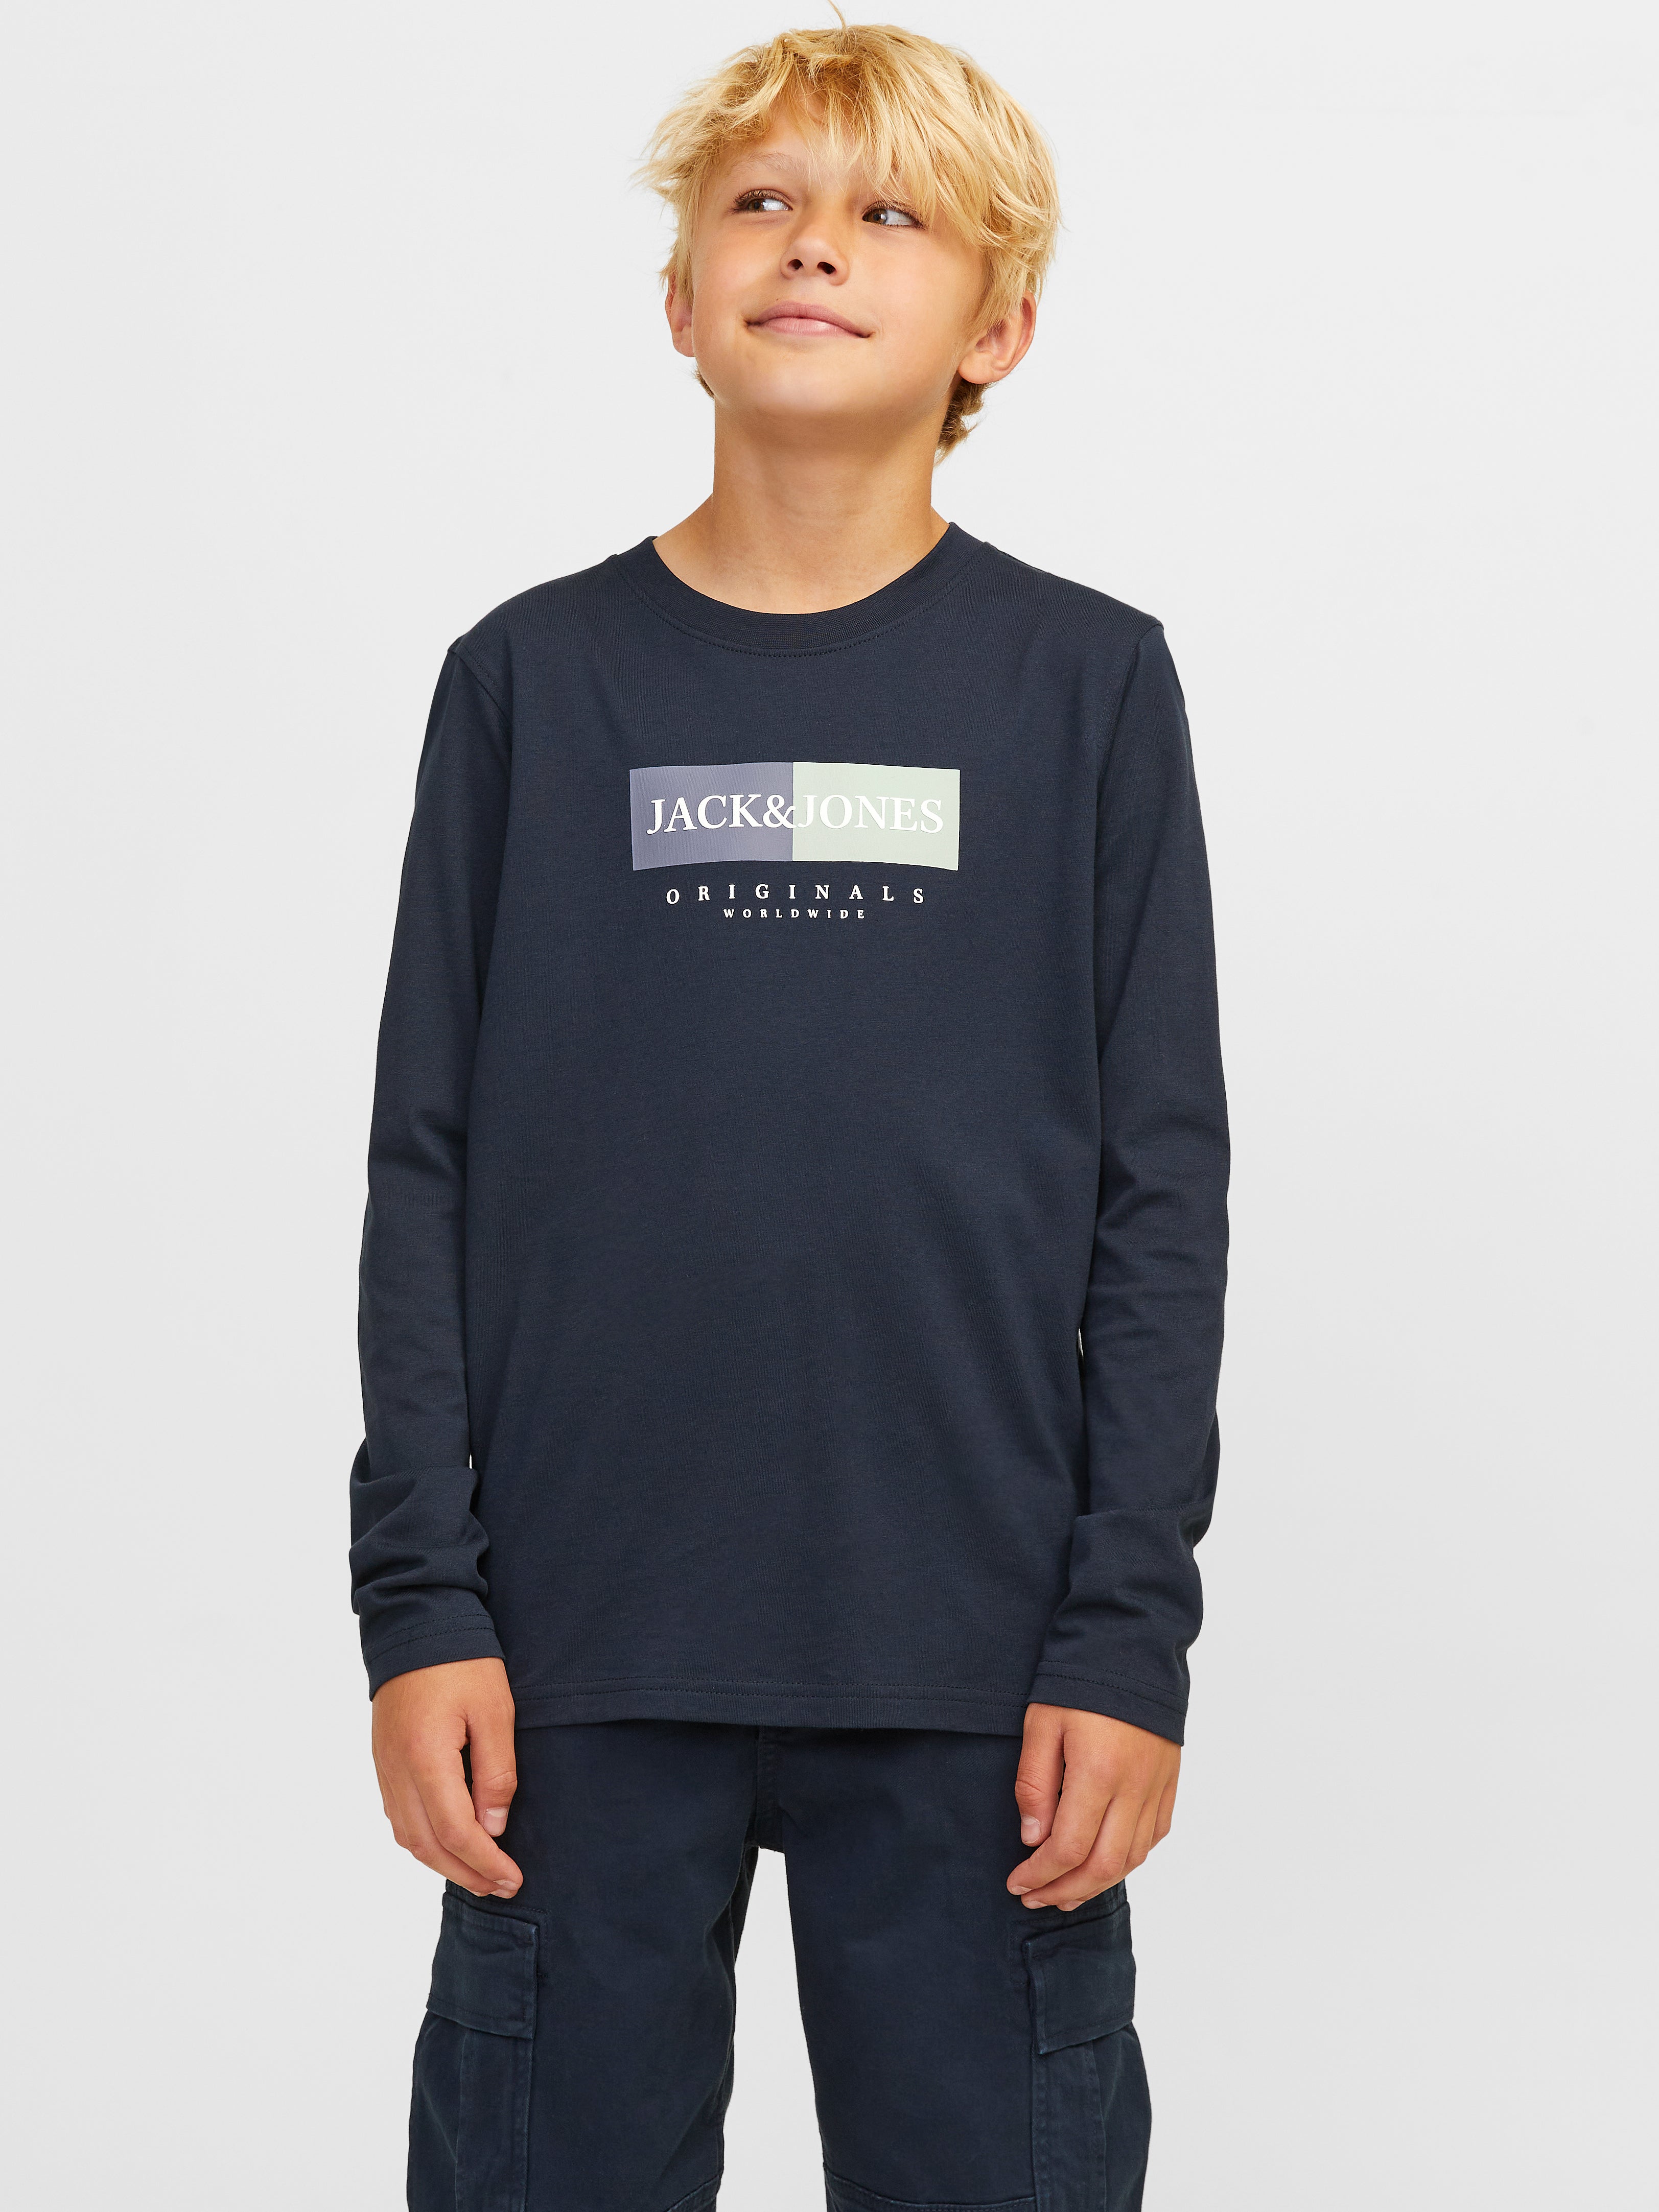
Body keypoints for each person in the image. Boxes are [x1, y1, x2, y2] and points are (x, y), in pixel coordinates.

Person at [349, 22, 1229, 2212]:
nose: (813, 245)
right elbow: (423, 1163)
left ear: (997, 326)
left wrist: (1124, 1636)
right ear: (678, 298)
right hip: (574, 1652)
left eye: (887, 212)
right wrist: (423, 1604)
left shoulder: (1087, 687)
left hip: (977, 1668)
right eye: (759, 203)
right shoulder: (529, 684)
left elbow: (1159, 1192)